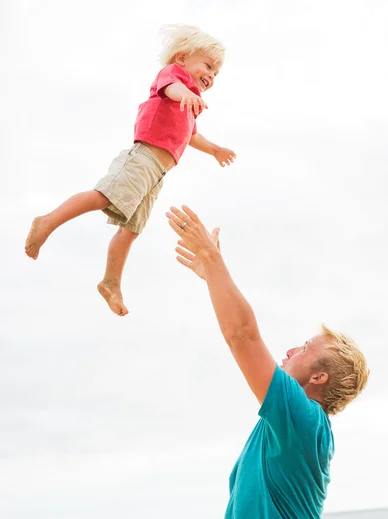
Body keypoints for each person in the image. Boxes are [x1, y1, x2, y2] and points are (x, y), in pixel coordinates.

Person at [166, 205, 369, 519]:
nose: (291, 348)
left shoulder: (304, 419)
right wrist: (212, 277)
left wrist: (213, 260)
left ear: (318, 378)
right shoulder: (280, 426)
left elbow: (242, 335)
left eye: (306, 348)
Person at [25, 25, 236, 316]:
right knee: (103, 196)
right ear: (181, 58)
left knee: (131, 229)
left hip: (157, 174)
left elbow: (191, 135)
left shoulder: (190, 101)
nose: (212, 75)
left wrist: (215, 150)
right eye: (209, 65)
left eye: (217, 73)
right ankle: (47, 221)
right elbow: (172, 90)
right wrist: (184, 93)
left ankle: (111, 282)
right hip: (143, 158)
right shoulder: (174, 78)